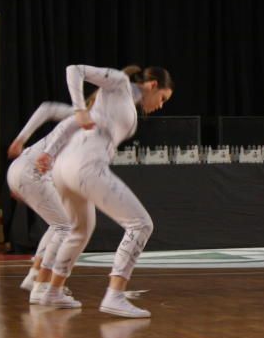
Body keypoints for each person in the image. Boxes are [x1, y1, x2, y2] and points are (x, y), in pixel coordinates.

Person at [38, 64, 172, 318]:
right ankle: (115, 295)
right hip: (85, 167)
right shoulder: (120, 83)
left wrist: (50, 152)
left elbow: (74, 126)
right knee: (141, 224)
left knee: (79, 230)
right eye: (163, 98)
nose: (161, 105)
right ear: (153, 85)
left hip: (66, 167)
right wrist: (79, 109)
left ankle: (53, 290)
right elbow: (74, 69)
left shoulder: (120, 103)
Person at [7, 101, 76, 298]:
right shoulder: (88, 118)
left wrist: (21, 140)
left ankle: (34, 276)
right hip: (31, 170)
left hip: (22, 168)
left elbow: (47, 110)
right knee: (66, 227)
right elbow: (47, 109)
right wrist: (20, 139)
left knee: (58, 225)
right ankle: (42, 284)